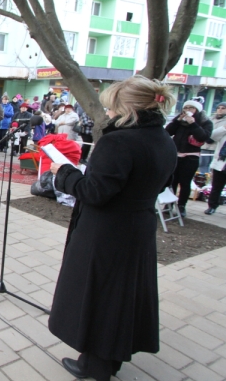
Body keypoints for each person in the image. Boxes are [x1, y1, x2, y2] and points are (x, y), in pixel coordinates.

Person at [49, 76, 178, 381]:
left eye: (111, 108)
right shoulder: (162, 139)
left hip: (106, 233)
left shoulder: (119, 141)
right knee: (122, 297)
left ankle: (95, 366)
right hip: (138, 229)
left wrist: (64, 172)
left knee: (100, 297)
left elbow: (96, 192)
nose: (107, 114)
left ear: (126, 109)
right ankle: (111, 358)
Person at [166, 99, 213, 217]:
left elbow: (203, 137)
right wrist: (176, 121)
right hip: (176, 155)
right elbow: (167, 132)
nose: (188, 111)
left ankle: (182, 205)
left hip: (191, 156)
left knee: (185, 182)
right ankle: (169, 204)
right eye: (186, 108)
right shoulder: (180, 121)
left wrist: (193, 124)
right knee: (172, 181)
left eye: (191, 108)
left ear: (197, 110)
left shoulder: (204, 122)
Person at [205, 103, 226, 214]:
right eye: (218, 108)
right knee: (216, 186)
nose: (220, 110)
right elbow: (212, 137)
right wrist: (223, 128)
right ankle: (212, 206)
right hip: (221, 161)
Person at [202, 102, 226, 174]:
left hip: (216, 149)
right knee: (203, 166)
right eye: (218, 108)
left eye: (223, 108)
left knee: (214, 169)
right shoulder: (210, 119)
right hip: (205, 147)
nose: (220, 110)